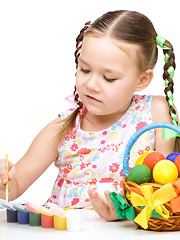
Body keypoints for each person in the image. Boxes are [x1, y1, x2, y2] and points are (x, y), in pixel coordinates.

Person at [0, 10, 179, 221]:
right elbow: (14, 187)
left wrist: (125, 211)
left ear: (142, 80)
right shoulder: (62, 128)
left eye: (109, 78)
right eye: (84, 70)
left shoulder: (155, 111)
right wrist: (4, 180)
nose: (91, 84)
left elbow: (168, 184)